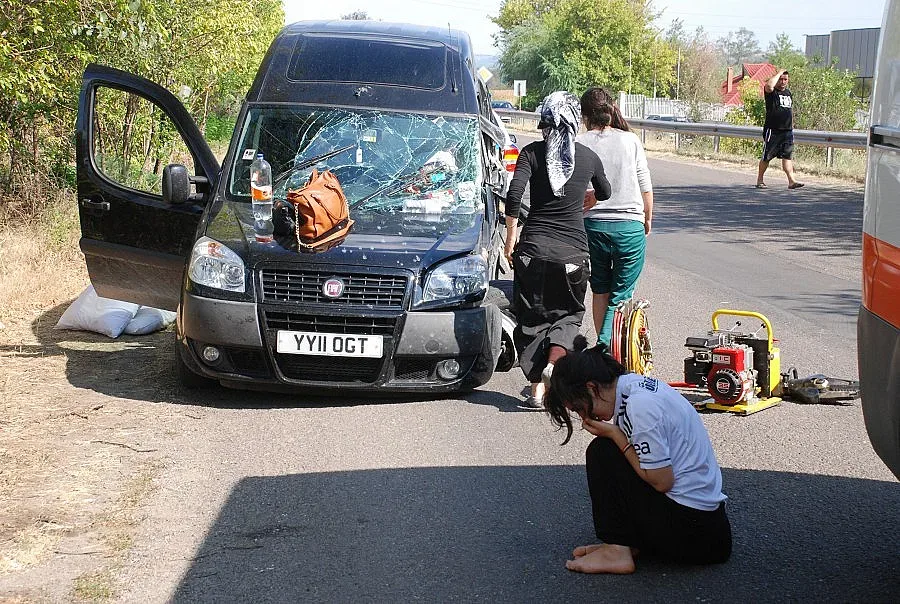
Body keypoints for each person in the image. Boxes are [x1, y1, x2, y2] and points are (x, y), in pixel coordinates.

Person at [543, 345, 733, 574]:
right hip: (708, 527)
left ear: (592, 388)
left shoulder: (639, 406)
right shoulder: (634, 385)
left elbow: (662, 481)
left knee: (602, 452)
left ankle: (616, 550)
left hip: (696, 535)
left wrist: (615, 435)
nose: (586, 417)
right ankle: (625, 543)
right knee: (612, 450)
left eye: (580, 408)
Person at [504, 91, 612, 410]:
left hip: (533, 252)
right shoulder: (588, 157)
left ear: (545, 124)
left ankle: (537, 390)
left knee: (533, 316)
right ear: (576, 122)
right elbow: (605, 191)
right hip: (573, 256)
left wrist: (510, 239)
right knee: (569, 315)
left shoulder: (532, 154)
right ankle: (554, 363)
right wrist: (589, 197)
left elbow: (513, 198)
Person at [576, 87, 653, 348]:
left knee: (600, 289)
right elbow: (645, 184)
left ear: (585, 115)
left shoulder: (580, 143)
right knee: (620, 295)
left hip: (592, 227)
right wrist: (647, 217)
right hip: (629, 227)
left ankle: (604, 348)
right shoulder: (630, 140)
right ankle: (606, 349)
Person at [756, 69, 804, 189]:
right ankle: (760, 180)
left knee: (787, 156)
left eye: (785, 79)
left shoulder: (788, 93)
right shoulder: (771, 92)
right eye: (781, 79)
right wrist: (778, 74)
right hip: (773, 130)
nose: (783, 82)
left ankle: (792, 181)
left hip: (787, 131)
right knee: (767, 156)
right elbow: (768, 85)